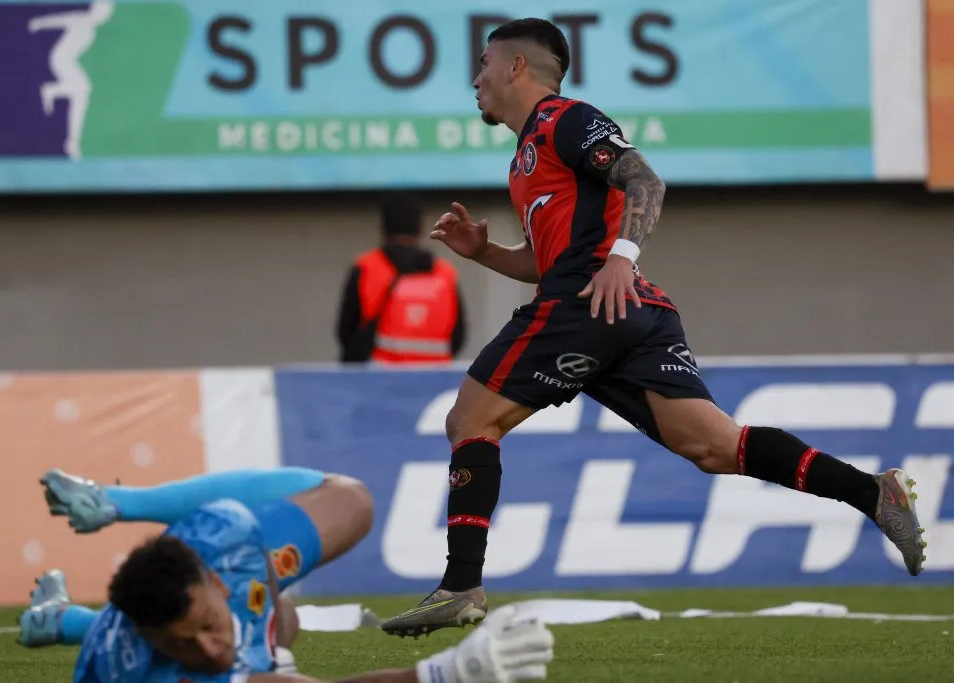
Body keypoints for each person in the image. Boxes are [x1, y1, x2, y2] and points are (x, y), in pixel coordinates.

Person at [379, 17, 928, 637]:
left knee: (470, 421)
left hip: (587, 302)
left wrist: (622, 256)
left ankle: (460, 585)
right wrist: (485, 253)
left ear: (515, 67)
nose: (475, 78)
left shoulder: (565, 119)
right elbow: (545, 260)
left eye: (483, 64)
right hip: (628, 310)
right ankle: (872, 494)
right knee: (714, 446)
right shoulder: (525, 159)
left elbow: (645, 180)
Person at [19, 467, 554, 683]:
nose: (209, 649)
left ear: (218, 584)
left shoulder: (221, 538)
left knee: (348, 505)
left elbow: (319, 489)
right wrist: (446, 673)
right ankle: (60, 620)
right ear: (152, 642)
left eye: (208, 625)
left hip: (213, 585)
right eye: (183, 645)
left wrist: (121, 503)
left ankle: (59, 614)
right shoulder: (150, 672)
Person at [335, 192, 468, 364]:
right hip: (434, 376)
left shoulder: (365, 268)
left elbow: (346, 334)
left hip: (379, 377)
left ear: (382, 228)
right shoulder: (445, 274)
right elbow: (458, 337)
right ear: (420, 229)